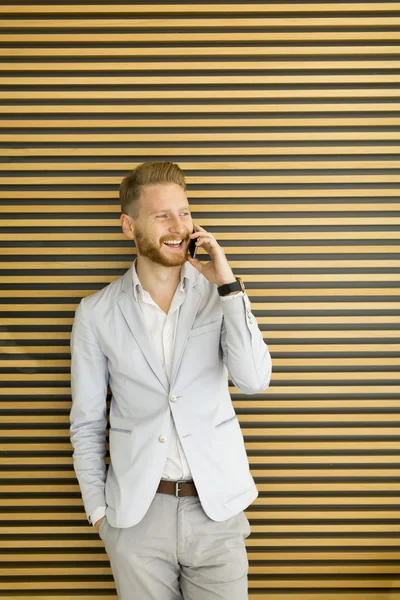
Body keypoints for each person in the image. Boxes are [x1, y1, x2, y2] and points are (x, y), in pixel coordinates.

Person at [69, 161, 272, 600]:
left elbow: (254, 380)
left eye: (184, 212)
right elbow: (86, 424)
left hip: (216, 510)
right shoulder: (96, 312)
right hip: (137, 518)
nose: (178, 226)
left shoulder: (219, 295)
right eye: (162, 215)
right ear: (129, 225)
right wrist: (99, 514)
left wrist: (228, 286)